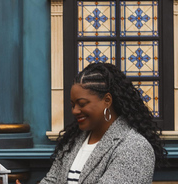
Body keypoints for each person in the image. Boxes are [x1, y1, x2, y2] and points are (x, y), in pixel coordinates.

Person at [18, 62, 165, 184]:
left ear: (107, 101)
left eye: (82, 104)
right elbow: (52, 180)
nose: (75, 111)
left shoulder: (134, 147)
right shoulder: (74, 141)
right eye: (73, 105)